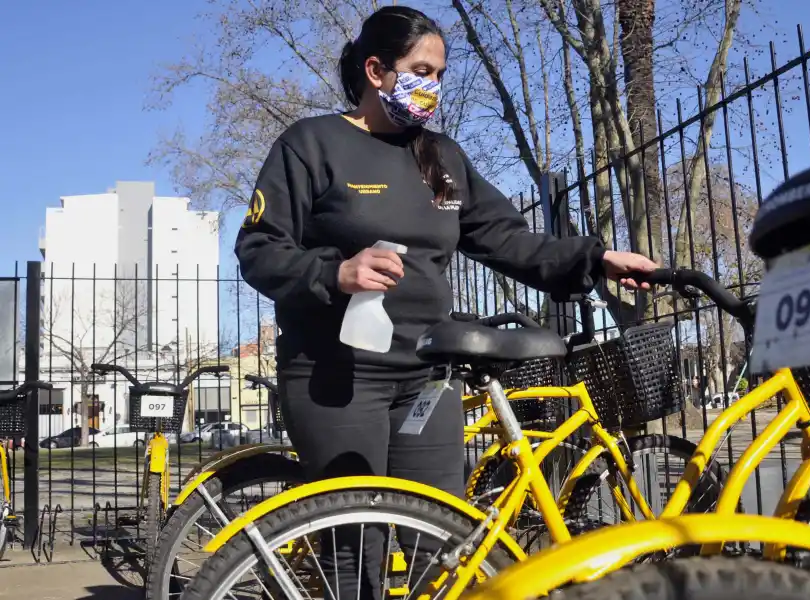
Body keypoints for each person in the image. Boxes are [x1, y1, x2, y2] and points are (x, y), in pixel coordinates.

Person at [234, 5, 657, 598]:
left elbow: (505, 237)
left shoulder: (438, 157)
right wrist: (336, 272)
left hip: (428, 376)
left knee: (444, 542)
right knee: (358, 546)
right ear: (376, 70)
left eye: (439, 75)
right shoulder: (311, 144)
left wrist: (595, 259)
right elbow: (258, 247)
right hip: (336, 374)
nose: (432, 86)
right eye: (420, 71)